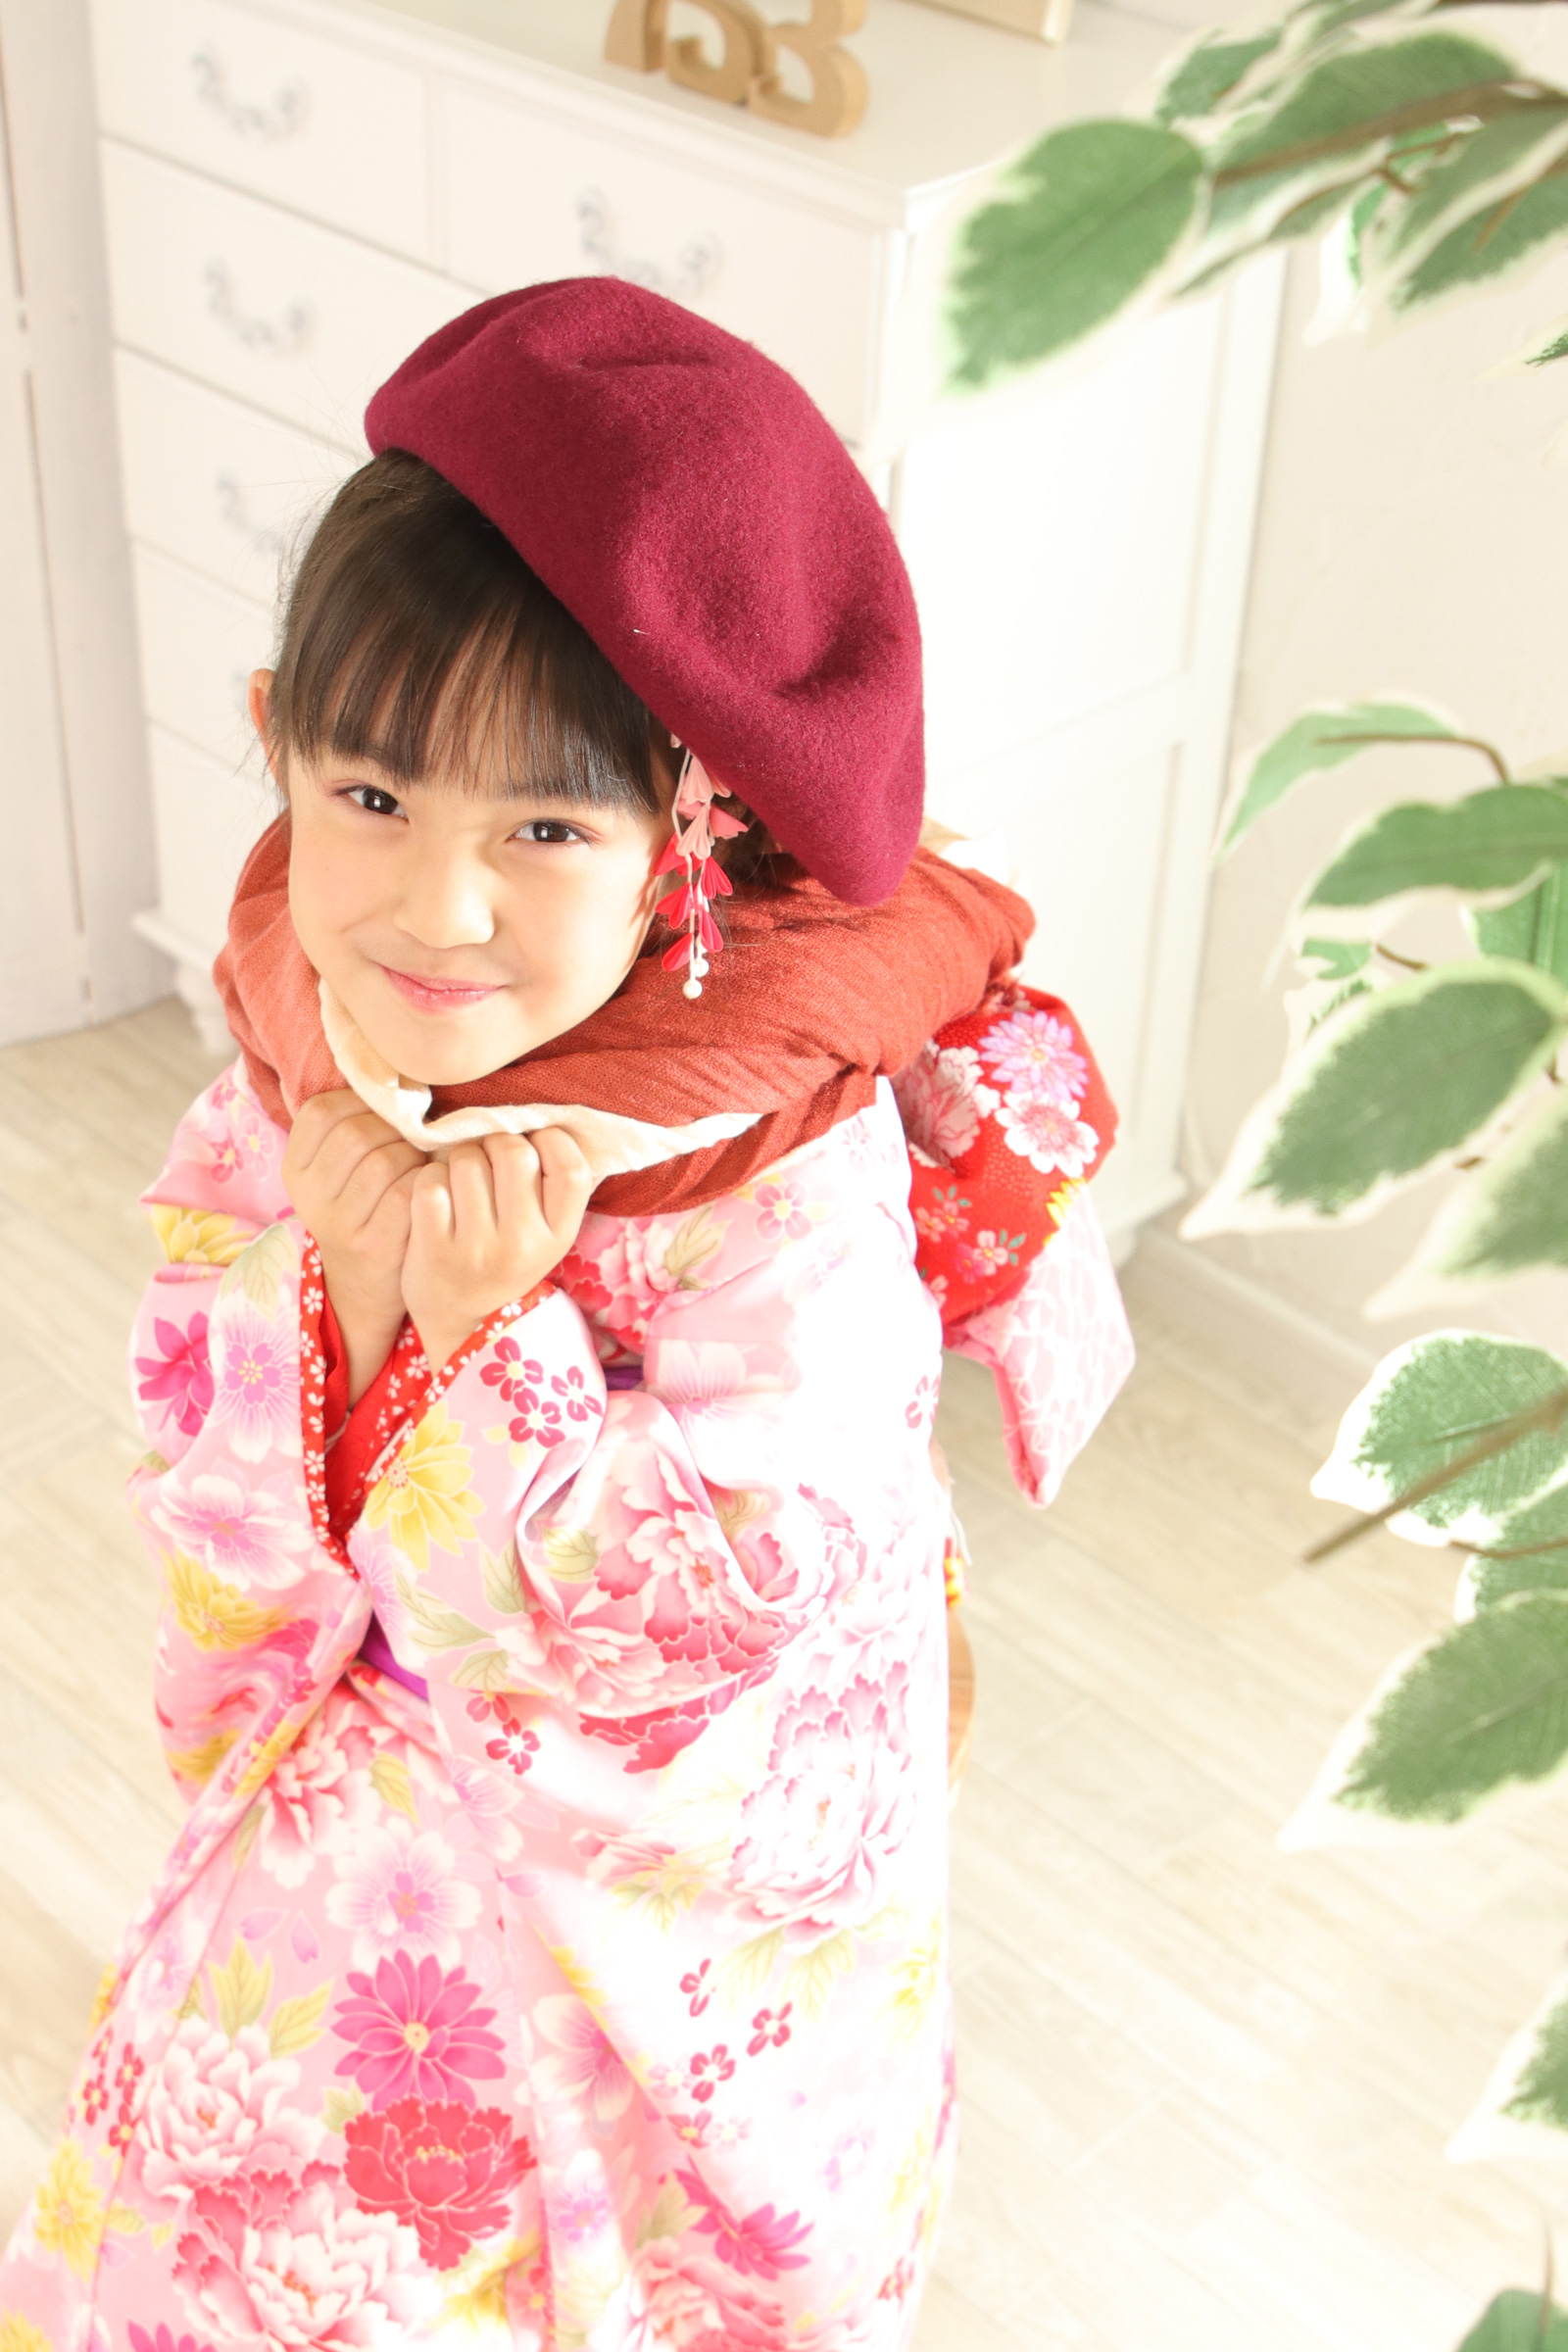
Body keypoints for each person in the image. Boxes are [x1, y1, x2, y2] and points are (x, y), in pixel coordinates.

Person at [0, 280, 1132, 2352]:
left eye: (541, 828)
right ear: (275, 734)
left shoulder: (760, 1146)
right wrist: (343, 1294)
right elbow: (200, 1442)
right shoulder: (318, 1040)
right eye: (370, 797)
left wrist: (486, 1337)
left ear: (691, 839)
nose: (436, 911)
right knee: (217, 2158)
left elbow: (749, 1601)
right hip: (374, 1762)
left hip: (664, 1840)